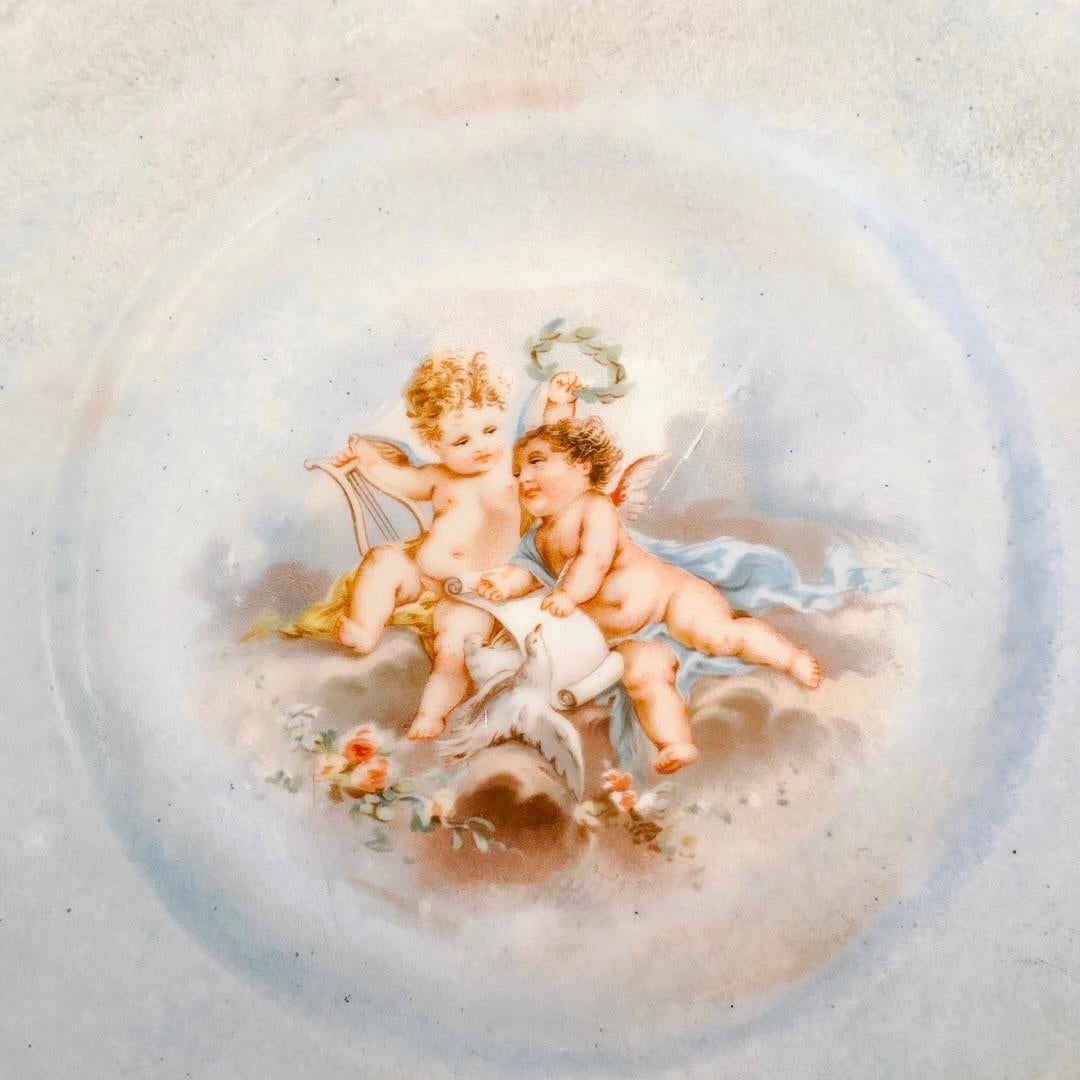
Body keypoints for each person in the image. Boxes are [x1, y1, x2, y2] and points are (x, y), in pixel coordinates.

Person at [476, 417, 822, 774]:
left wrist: (567, 594)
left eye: (536, 462)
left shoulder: (593, 507)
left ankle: (790, 657)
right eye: (517, 472)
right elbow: (525, 572)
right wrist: (504, 584)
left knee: (720, 636)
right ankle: (675, 742)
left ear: (581, 465)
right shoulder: (537, 539)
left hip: (671, 599)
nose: (524, 478)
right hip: (623, 637)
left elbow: (594, 558)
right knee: (643, 675)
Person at [326, 350, 581, 739]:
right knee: (382, 560)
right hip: (427, 578)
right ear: (436, 443)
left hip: (477, 591)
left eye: (490, 430)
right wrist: (363, 458)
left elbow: (551, 440)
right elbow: (397, 479)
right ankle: (365, 627)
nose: (481, 445)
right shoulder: (436, 476)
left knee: (455, 648)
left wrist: (559, 403)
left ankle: (432, 714)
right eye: (462, 440)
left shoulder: (514, 468)